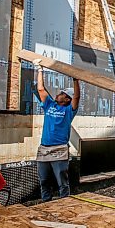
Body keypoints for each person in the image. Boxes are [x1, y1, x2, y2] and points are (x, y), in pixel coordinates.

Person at [33, 58, 80, 202]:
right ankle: (45, 204)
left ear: (67, 99)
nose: (58, 94)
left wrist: (75, 79)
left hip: (60, 149)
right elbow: (41, 89)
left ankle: (64, 204)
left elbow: (77, 96)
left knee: (62, 183)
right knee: (44, 180)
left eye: (62, 94)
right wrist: (39, 69)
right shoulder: (49, 105)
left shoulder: (69, 111)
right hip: (44, 148)